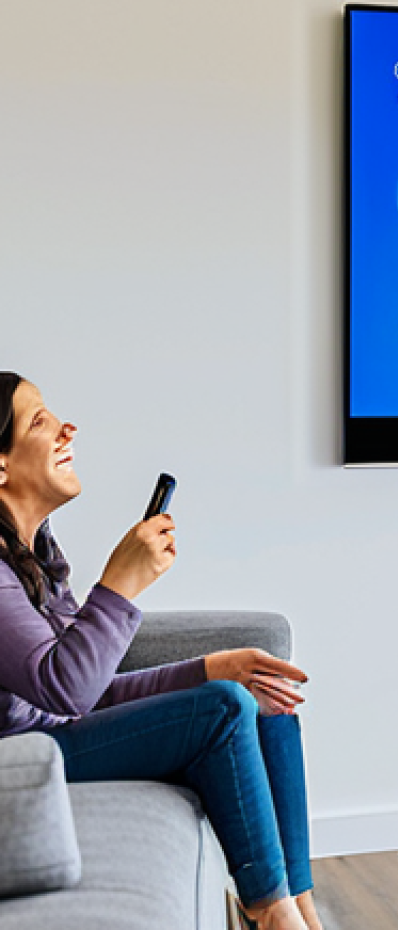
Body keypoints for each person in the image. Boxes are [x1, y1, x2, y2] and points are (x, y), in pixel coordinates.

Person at [0, 373, 322, 930]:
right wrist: (119, 585)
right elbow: (65, 688)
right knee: (222, 709)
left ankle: (304, 912)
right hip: (22, 762)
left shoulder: (36, 553)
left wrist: (209, 668)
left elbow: (85, 694)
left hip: (53, 739)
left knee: (262, 702)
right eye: (39, 420)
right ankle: (272, 917)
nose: (65, 427)